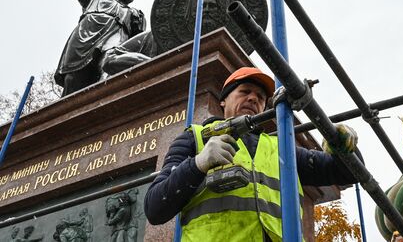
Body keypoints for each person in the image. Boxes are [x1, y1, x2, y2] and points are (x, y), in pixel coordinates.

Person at [144, 67, 361, 241]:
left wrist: (340, 143)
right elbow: (155, 208)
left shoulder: (281, 147)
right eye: (244, 91)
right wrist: (197, 164)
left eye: (260, 96)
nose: (253, 98)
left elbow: (348, 172)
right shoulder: (194, 138)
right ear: (223, 100)